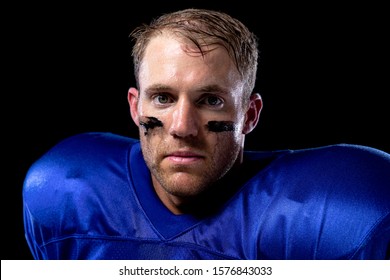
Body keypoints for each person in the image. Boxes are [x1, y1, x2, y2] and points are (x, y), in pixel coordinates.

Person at [22, 8, 390, 260]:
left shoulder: (341, 214)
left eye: (211, 100)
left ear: (249, 114)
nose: (182, 127)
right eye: (163, 98)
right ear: (136, 107)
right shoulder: (64, 191)